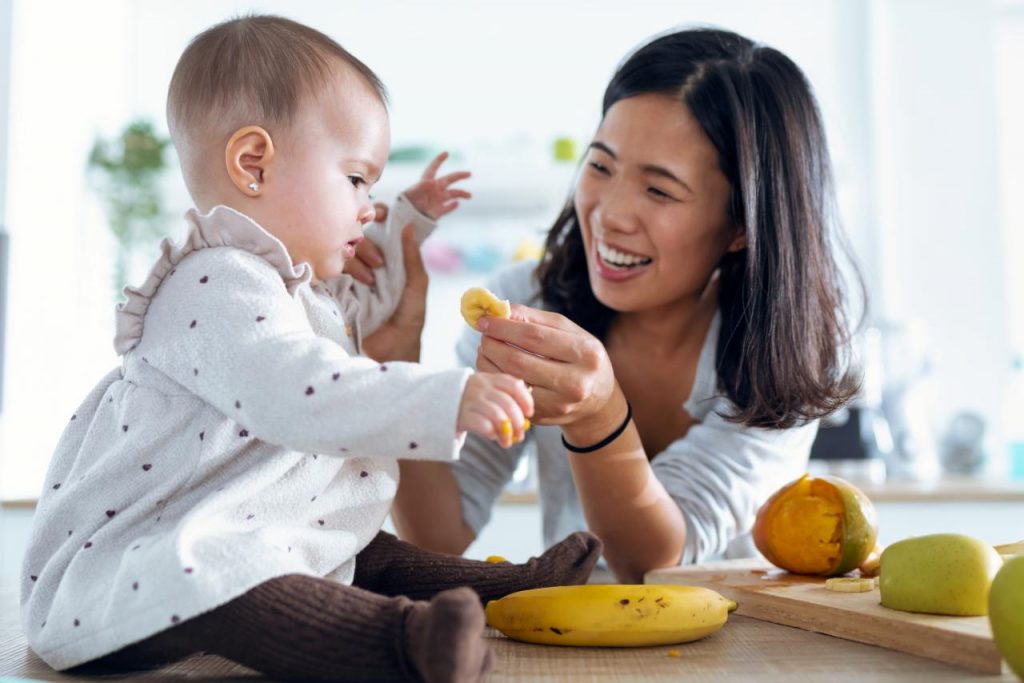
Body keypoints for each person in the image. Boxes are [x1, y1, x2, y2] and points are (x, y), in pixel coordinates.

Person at [20, 15, 600, 683]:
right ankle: (404, 643)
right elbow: (307, 389)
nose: (368, 206)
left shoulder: (280, 285)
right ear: (253, 164)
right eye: (356, 179)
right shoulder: (211, 284)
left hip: (223, 530)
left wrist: (405, 222)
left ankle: (513, 588)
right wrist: (448, 395)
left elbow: (356, 319)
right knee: (239, 572)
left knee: (354, 540)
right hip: (134, 572)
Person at [388, 28, 860, 584]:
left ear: (740, 226)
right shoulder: (527, 306)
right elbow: (438, 534)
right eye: (601, 167)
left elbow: (653, 562)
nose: (609, 213)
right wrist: (394, 357)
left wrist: (598, 417)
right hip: (573, 650)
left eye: (659, 191)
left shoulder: (788, 351)